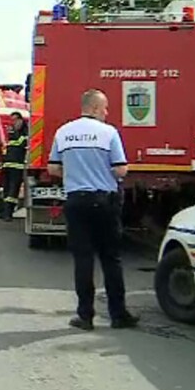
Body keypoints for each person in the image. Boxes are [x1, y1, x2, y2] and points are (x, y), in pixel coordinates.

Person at [48, 89, 139, 331]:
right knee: (111, 258)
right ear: (97, 108)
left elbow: (53, 168)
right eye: (105, 108)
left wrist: (75, 174)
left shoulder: (64, 132)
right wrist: (102, 172)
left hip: (76, 201)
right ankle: (119, 315)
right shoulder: (108, 132)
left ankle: (85, 316)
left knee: (83, 259)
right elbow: (121, 170)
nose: (107, 113)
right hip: (104, 202)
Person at [0, 112, 28, 221]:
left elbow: (22, 144)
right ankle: (5, 211)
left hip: (17, 167)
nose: (13, 123)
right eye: (12, 120)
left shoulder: (25, 133)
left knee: (12, 191)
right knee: (6, 190)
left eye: (15, 120)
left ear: (21, 120)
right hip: (8, 165)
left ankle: (8, 213)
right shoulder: (13, 133)